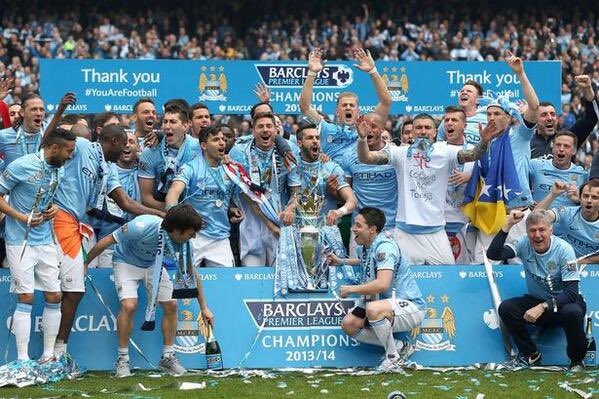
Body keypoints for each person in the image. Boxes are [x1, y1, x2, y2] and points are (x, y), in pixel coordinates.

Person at [52, 124, 163, 359]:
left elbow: (126, 203)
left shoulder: (109, 167)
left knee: (72, 291)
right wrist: (60, 113)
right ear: (113, 142)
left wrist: (161, 215)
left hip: (76, 227)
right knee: (64, 290)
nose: (125, 150)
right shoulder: (82, 146)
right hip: (58, 220)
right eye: (123, 145)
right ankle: (52, 353)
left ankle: (57, 352)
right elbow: (48, 144)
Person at [84, 204, 213, 377]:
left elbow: (193, 275)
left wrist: (204, 308)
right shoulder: (141, 226)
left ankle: (168, 358)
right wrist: (85, 264)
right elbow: (107, 241)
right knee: (129, 306)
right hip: (126, 262)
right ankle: (122, 360)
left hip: (153, 264)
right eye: (190, 233)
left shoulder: (184, 244)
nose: (193, 237)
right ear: (176, 230)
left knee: (172, 305)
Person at [357, 113, 499, 264]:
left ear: (435, 132)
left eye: (427, 128)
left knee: (448, 275)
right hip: (405, 232)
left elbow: (474, 154)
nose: (423, 132)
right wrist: (362, 139)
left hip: (435, 231)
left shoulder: (446, 152)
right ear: (412, 132)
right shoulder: (399, 153)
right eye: (418, 128)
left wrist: (484, 141)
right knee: (401, 280)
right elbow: (366, 158)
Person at [0, 128, 76, 362]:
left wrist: (53, 209)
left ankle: (48, 356)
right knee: (27, 297)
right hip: (19, 241)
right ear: (54, 148)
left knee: (54, 295)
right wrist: (21, 217)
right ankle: (23, 360)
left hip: (46, 240)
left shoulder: (59, 170)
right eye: (68, 151)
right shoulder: (21, 166)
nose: (70, 156)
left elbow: (49, 199)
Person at [487, 210, 587, 371]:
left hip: (565, 303)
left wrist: (543, 306)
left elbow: (571, 293)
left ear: (551, 230)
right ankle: (531, 354)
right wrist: (507, 225)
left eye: (542, 230)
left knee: (573, 312)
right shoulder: (523, 243)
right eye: (532, 231)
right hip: (537, 300)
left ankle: (576, 360)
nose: (537, 235)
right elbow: (493, 254)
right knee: (506, 308)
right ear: (527, 233)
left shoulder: (564, 250)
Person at [328, 208, 426, 371]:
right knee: (349, 324)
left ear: (372, 229)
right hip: (388, 306)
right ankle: (399, 346)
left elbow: (382, 284)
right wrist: (341, 261)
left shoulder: (385, 247)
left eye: (358, 225)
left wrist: (351, 289)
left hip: (411, 306)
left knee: (372, 309)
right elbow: (364, 262)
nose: (353, 229)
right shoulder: (369, 246)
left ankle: (393, 359)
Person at [166, 126, 250, 267]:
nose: (222, 143)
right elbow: (173, 193)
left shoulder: (231, 169)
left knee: (226, 283)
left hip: (220, 237)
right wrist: (177, 221)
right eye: (216, 139)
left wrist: (232, 208)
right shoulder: (190, 168)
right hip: (193, 236)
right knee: (186, 284)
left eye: (223, 139)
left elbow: (230, 198)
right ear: (204, 145)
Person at [229, 112, 300, 266]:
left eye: (269, 126)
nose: (265, 130)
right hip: (251, 219)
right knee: (252, 272)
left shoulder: (288, 151)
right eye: (260, 127)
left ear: (276, 130)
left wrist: (290, 208)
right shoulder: (240, 152)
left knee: (280, 274)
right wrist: (270, 226)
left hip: (280, 217)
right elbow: (245, 193)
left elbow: (296, 190)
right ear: (253, 131)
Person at [299, 47, 391, 164]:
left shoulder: (366, 129)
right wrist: (312, 73)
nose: (348, 107)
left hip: (357, 178)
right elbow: (304, 107)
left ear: (358, 111)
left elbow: (386, 102)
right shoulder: (326, 128)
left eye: (352, 105)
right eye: (344, 105)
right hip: (332, 178)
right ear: (337, 111)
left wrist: (373, 71)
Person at [340, 113, 397, 255]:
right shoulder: (348, 155)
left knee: (390, 272)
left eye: (373, 126)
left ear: (383, 128)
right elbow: (347, 194)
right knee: (358, 273)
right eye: (365, 126)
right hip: (360, 228)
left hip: (391, 227)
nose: (368, 130)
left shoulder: (395, 154)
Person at [279, 122, 356, 227]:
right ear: (299, 143)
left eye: (317, 138)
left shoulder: (331, 168)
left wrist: (339, 212)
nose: (315, 141)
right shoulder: (291, 166)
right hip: (297, 230)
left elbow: (352, 201)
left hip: (325, 231)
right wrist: (289, 209)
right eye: (310, 138)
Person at [91, 131, 141, 268]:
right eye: (124, 143)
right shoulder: (105, 172)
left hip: (136, 245)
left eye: (131, 142)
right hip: (108, 244)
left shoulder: (144, 174)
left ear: (139, 148)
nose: (127, 146)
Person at [139, 104, 201, 210]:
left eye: (173, 122)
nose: (167, 126)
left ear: (185, 126)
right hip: (162, 211)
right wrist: (176, 213)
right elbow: (146, 198)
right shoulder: (150, 151)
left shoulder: (199, 148)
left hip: (195, 209)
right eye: (165, 122)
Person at [530, 75, 597, 159]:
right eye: (544, 115)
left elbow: (592, 118)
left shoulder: (568, 138)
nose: (550, 118)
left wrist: (588, 90)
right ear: (535, 120)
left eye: (553, 114)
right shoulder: (526, 144)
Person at [442, 106, 476, 263]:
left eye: (454, 120)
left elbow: (492, 177)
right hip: (438, 222)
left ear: (465, 125)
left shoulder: (476, 152)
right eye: (446, 120)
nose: (449, 123)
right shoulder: (436, 150)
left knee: (463, 266)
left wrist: (471, 176)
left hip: (465, 221)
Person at [536, 180, 599, 264]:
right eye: (585, 196)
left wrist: (584, 261)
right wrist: (553, 195)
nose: (589, 200)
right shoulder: (567, 212)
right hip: (563, 264)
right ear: (579, 198)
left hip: (592, 270)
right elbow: (536, 218)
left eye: (594, 197)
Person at [529, 131, 588, 207]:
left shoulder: (582, 174)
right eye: (558, 145)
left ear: (574, 151)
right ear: (552, 148)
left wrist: (579, 200)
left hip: (567, 218)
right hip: (539, 216)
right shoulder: (535, 165)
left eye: (566, 146)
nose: (561, 149)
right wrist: (527, 201)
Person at [437, 79, 488, 145]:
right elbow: (439, 144)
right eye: (461, 91)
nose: (464, 93)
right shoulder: (448, 120)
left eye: (469, 91)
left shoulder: (486, 119)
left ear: (479, 99)